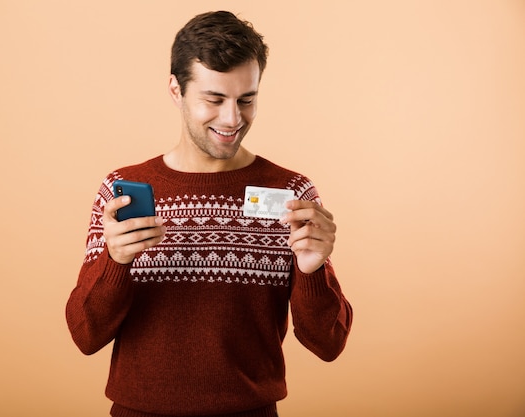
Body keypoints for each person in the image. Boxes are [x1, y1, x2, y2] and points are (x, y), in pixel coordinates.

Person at [66, 10, 352, 417]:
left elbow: (329, 344)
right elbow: (85, 335)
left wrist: (311, 273)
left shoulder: (291, 193)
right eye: (214, 100)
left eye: (246, 100)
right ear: (175, 89)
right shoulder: (121, 193)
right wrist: (116, 262)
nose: (232, 119)